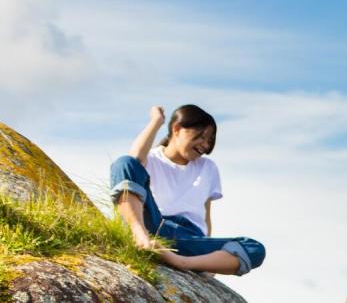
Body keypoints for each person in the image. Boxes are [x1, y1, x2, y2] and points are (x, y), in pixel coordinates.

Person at [108, 105, 266, 276]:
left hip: (189, 239)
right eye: (202, 137)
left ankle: (183, 262)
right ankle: (139, 237)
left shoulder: (208, 167)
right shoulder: (152, 158)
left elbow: (205, 214)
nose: (205, 145)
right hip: (153, 224)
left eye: (210, 141)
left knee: (254, 248)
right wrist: (156, 121)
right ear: (177, 129)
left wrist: (211, 263)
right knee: (124, 162)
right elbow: (134, 158)